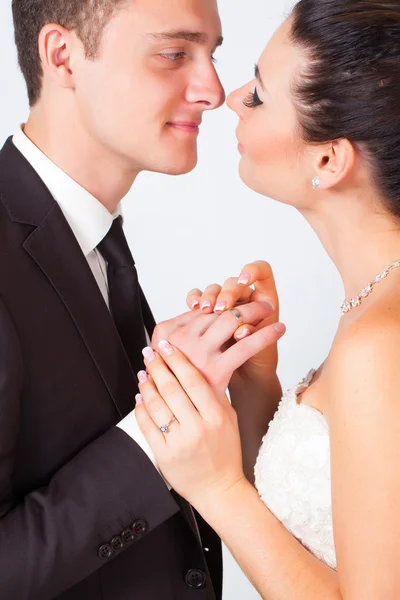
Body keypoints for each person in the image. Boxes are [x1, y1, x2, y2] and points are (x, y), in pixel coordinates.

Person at [0, 1, 281, 598]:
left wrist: (238, 394)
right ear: (63, 56)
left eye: (213, 53)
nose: (211, 89)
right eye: (174, 54)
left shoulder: (94, 239)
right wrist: (160, 426)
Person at [136, 0, 400, 597]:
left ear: (329, 159)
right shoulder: (375, 303)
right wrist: (258, 389)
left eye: (257, 93)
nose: (228, 98)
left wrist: (215, 487)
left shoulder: (381, 342)